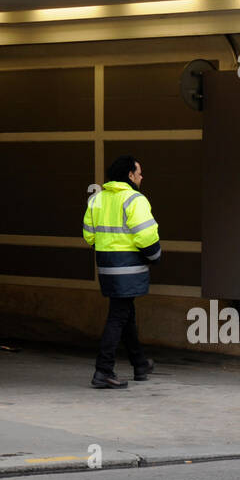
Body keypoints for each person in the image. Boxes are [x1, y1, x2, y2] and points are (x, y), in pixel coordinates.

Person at [82, 155, 161, 389]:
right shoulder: (134, 199)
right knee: (118, 316)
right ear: (129, 175)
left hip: (107, 266)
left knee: (126, 313)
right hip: (129, 267)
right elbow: (146, 235)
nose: (141, 176)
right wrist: (155, 256)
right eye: (139, 172)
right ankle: (103, 370)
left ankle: (140, 364)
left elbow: (89, 235)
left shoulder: (97, 199)